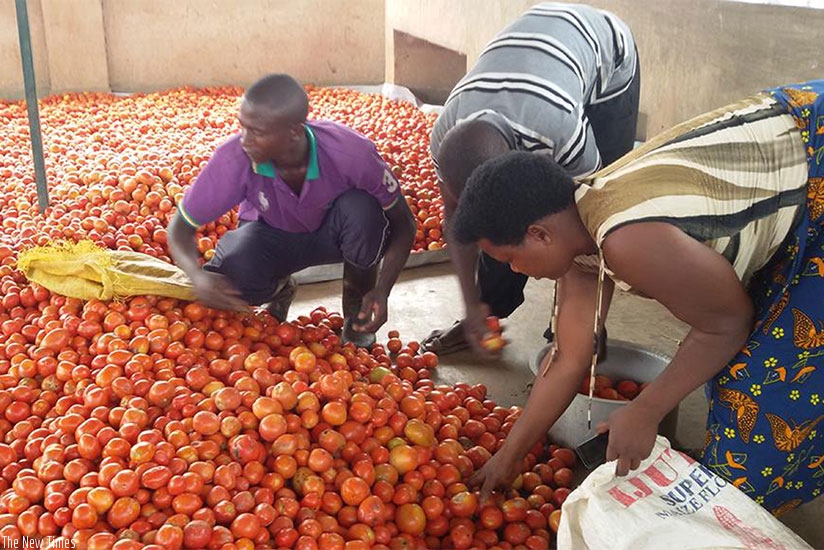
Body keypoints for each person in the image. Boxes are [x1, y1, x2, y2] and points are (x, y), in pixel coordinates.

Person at [454, 80, 824, 515]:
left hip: (812, 162)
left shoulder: (626, 240)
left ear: (539, 234)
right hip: (796, 146)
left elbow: (727, 325)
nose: (517, 271)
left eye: (511, 259)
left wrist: (647, 410)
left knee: (761, 397)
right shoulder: (580, 234)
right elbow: (570, 358)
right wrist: (509, 455)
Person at [424, 2, 640, 356]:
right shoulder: (444, 139)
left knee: (598, 207)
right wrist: (472, 305)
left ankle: (584, 325)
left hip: (608, 59)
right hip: (538, 63)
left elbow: (589, 215)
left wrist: (583, 322)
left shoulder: (558, 131)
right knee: (499, 227)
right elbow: (458, 223)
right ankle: (489, 312)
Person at [168, 74, 416, 346]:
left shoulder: (351, 153)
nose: (245, 140)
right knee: (234, 268)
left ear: (295, 132)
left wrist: (382, 290)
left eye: (257, 132)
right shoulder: (234, 159)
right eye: (243, 127)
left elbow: (404, 223)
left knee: (364, 211)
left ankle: (358, 316)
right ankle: (280, 289)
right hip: (271, 235)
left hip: (333, 234)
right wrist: (197, 276)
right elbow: (180, 227)